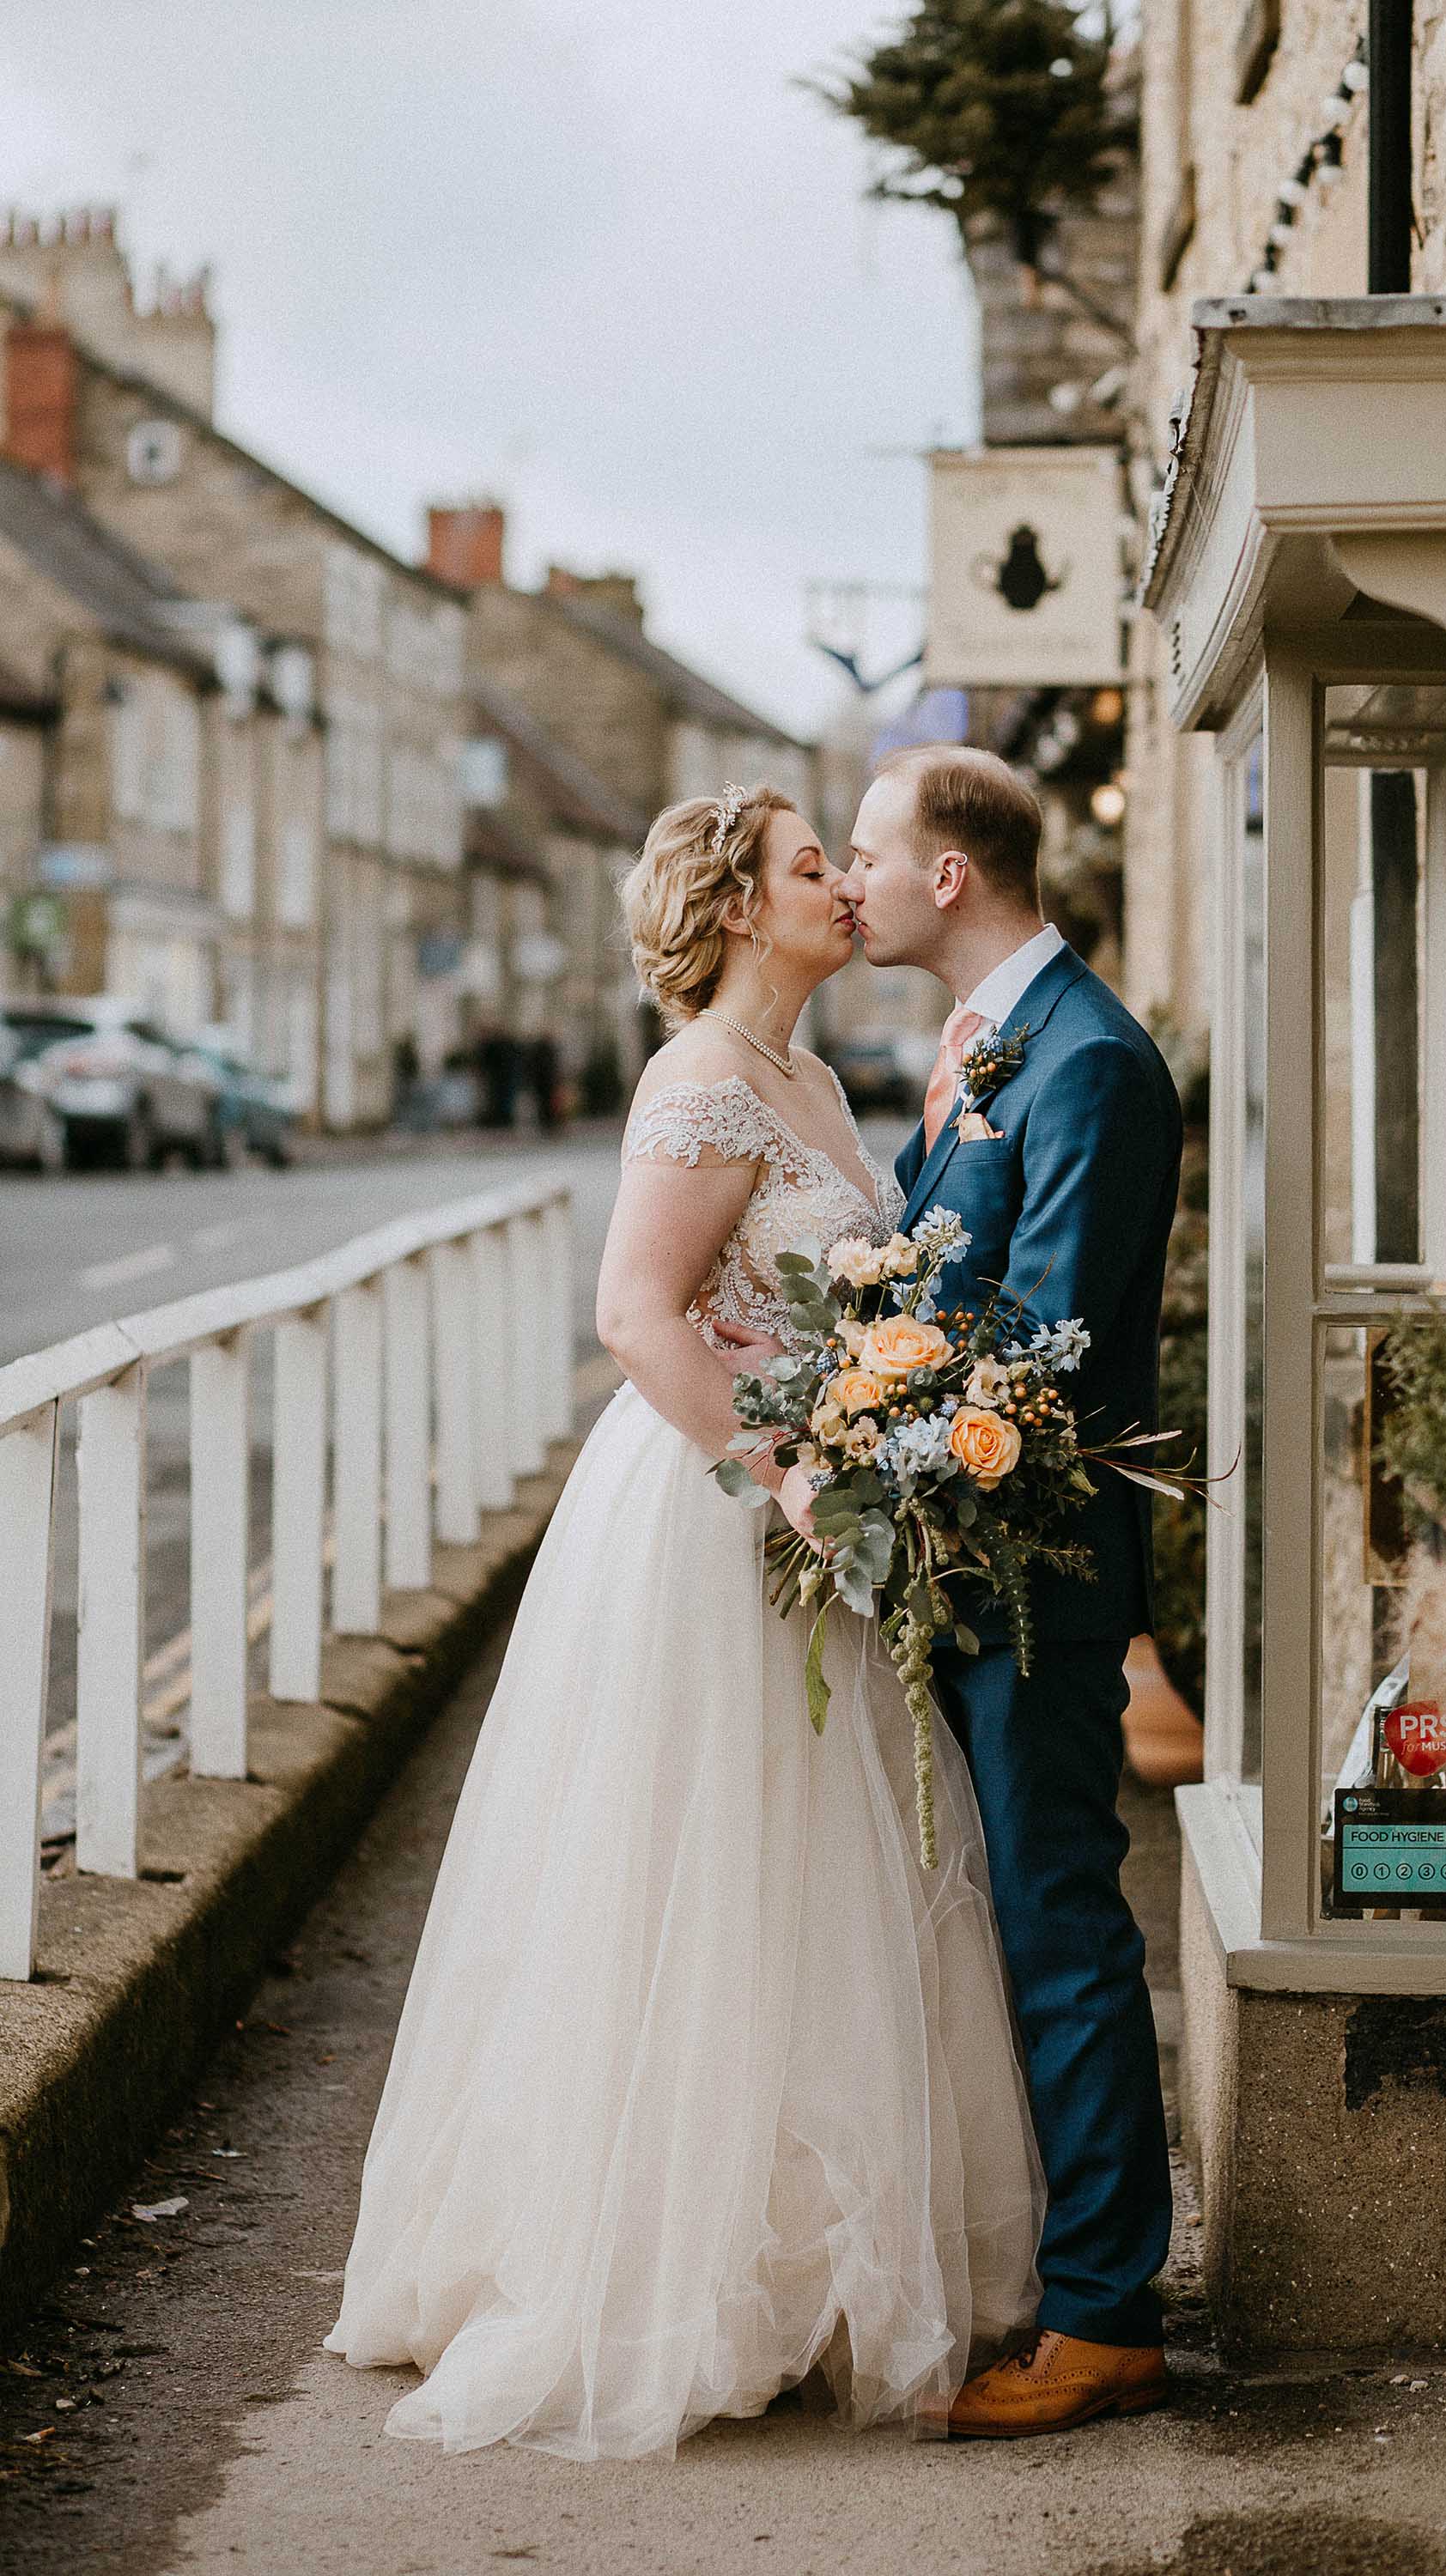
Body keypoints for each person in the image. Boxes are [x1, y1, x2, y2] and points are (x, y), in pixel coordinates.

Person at [324, 784, 1042, 2461]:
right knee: (699, 1878)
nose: (843, 890)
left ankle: (790, 2259)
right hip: (713, 1516)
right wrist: (785, 1476)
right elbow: (639, 1316)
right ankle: (663, 2267)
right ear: (739, 908)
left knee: (820, 1890)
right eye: (814, 869)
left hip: (810, 1503)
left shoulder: (805, 1078)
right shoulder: (703, 1081)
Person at [832, 744, 1182, 2438]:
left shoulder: (1092, 1066)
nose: (852, 880)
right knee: (1009, 1911)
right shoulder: (989, 1050)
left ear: (948, 875)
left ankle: (1110, 2312)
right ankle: (1044, 2265)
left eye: (868, 852)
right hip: (963, 1558)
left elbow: (1033, 1356)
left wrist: (866, 1434)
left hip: (1028, 1568)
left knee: (1055, 1913)